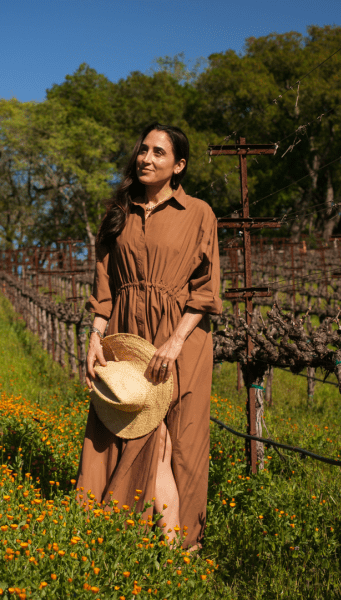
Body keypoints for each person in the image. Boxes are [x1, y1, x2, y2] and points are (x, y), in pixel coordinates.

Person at [76, 123, 222, 550]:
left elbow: (205, 289)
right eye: (143, 150)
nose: (146, 158)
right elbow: (104, 286)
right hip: (126, 336)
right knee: (128, 426)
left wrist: (174, 343)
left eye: (159, 152)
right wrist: (94, 338)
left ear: (178, 165)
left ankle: (183, 545)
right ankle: (138, 538)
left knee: (181, 439)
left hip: (182, 338)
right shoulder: (117, 214)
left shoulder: (198, 212)